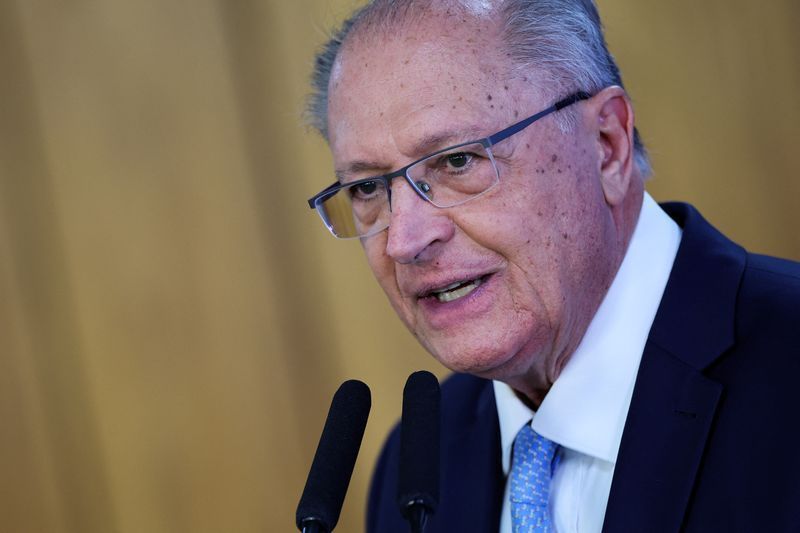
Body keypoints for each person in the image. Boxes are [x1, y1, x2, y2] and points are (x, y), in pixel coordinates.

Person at [304, 0, 800, 531]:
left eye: (457, 161)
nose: (404, 241)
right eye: (367, 188)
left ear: (607, 145)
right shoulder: (416, 475)